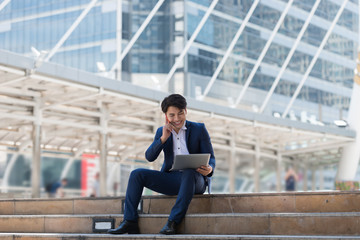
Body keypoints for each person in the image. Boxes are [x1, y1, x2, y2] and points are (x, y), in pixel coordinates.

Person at [107, 93, 216, 235]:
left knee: (189, 171)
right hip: (172, 179)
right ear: (166, 115)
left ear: (186, 111)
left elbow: (211, 157)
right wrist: (163, 138)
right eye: (172, 115)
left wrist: (210, 169)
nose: (176, 119)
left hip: (196, 180)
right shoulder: (162, 131)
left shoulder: (199, 129)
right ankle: (130, 222)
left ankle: (173, 222)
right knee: (137, 174)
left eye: (180, 113)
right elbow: (149, 157)